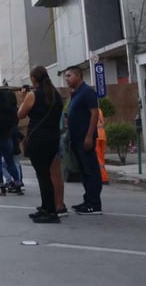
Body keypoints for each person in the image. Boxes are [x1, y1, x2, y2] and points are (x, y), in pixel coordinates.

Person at [18, 66, 64, 223]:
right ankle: (46, 207)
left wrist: (23, 97)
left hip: (38, 139)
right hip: (53, 138)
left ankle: (50, 211)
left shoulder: (33, 95)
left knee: (43, 175)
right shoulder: (55, 95)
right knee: (46, 174)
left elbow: (20, 114)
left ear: (33, 79)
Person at [64, 66, 103, 215]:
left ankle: (94, 204)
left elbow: (94, 114)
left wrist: (89, 136)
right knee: (83, 171)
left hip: (84, 138)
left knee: (90, 170)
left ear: (79, 75)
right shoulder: (76, 93)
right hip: (76, 138)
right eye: (66, 76)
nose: (67, 79)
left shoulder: (88, 92)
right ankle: (88, 200)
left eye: (69, 76)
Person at [0, 89, 23, 196]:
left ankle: (2, 187)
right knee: (10, 162)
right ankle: (18, 184)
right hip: (7, 138)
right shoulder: (11, 111)